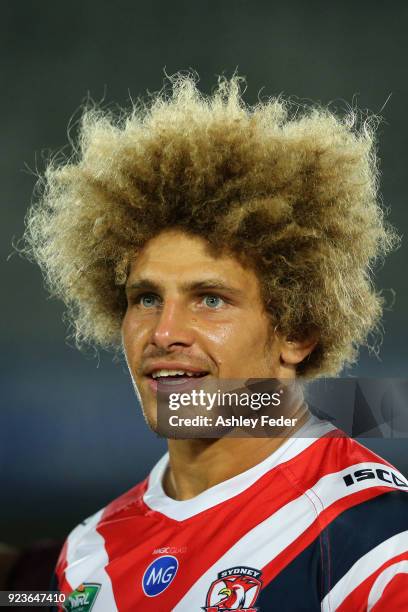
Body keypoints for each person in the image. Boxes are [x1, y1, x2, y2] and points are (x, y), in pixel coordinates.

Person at [24, 75, 407, 611]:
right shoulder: (89, 556)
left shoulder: (375, 544)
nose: (164, 333)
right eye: (147, 298)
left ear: (296, 331)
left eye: (210, 299)